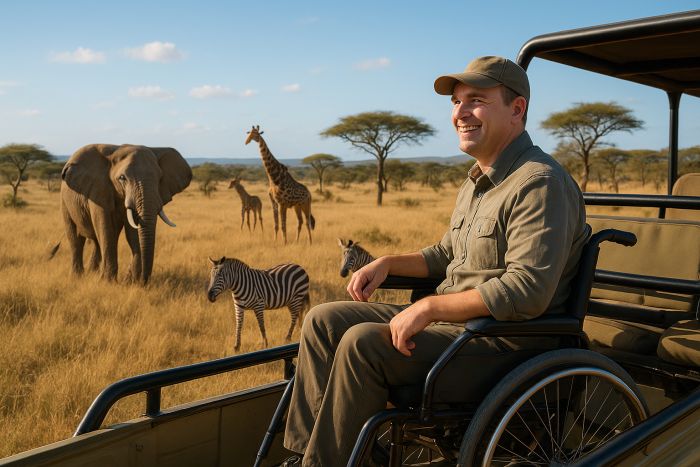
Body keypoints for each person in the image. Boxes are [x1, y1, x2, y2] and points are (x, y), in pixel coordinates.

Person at [281, 56, 590, 466]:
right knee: (323, 320)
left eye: (475, 100)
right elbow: (448, 254)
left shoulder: (539, 182)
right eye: (456, 101)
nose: (460, 113)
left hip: (507, 342)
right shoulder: (479, 178)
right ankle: (307, 455)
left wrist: (428, 307)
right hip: (458, 331)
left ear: (516, 110)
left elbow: (528, 290)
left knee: (361, 344)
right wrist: (387, 262)